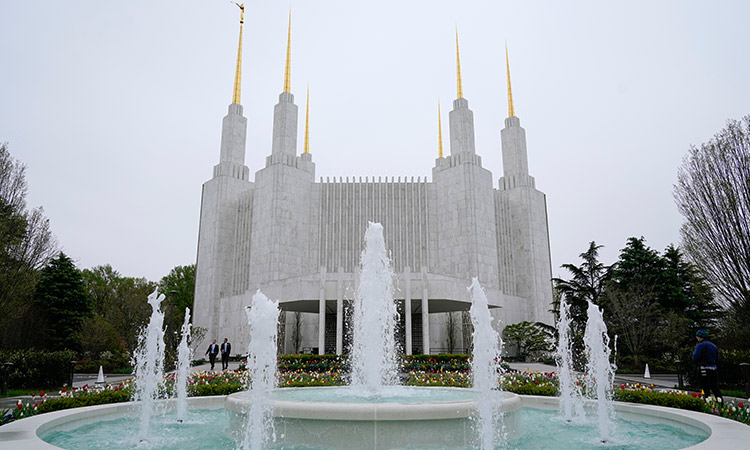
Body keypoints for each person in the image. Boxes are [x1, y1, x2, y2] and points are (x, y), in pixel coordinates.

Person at [692, 329, 722, 402]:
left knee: (706, 389)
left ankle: (707, 403)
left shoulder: (700, 345)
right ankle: (720, 404)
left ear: (699, 337)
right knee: (716, 389)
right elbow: (717, 358)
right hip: (714, 369)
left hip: (704, 369)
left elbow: (695, 357)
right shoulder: (714, 346)